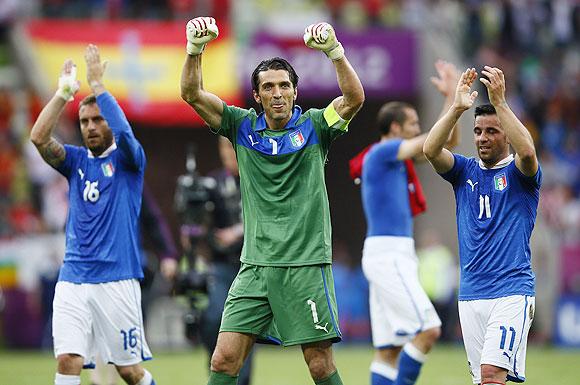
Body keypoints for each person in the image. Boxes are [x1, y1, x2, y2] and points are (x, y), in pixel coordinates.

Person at [181, 16, 364, 385]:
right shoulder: (240, 126)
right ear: (257, 95)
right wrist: (195, 50)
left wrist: (334, 52)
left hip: (305, 265)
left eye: (284, 85)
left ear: (295, 92)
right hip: (255, 267)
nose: (277, 92)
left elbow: (354, 98)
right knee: (223, 359)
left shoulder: (316, 126)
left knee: (319, 364)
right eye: (269, 87)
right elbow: (191, 94)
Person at [30, 44, 156, 385]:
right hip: (72, 277)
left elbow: (127, 134)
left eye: (98, 119)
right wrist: (63, 93)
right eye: (85, 121)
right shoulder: (75, 162)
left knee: (128, 372)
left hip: (117, 279)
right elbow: (39, 137)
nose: (90, 127)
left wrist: (98, 86)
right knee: (68, 360)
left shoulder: (129, 162)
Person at [423, 66, 541, 385]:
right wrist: (456, 107)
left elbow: (528, 151)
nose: (482, 138)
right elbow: (430, 150)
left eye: (491, 131)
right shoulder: (464, 172)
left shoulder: (521, 176)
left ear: (506, 134)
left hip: (511, 290)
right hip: (471, 294)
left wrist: (501, 103)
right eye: (478, 131)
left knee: (491, 374)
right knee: (483, 381)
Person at [349, 60, 459, 385]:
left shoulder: (393, 158)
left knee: (388, 351)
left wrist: (452, 97)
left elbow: (447, 142)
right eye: (412, 123)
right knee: (429, 330)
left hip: (389, 255)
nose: (417, 127)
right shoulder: (382, 153)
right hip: (389, 255)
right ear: (395, 129)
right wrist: (454, 102)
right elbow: (432, 141)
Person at [199, 136, 253, 385]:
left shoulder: (258, 177)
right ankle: (218, 366)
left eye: (233, 146)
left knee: (247, 326)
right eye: (224, 147)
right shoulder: (212, 183)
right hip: (221, 265)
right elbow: (200, 224)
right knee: (212, 318)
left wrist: (239, 232)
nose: (229, 153)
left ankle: (241, 380)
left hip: (251, 264)